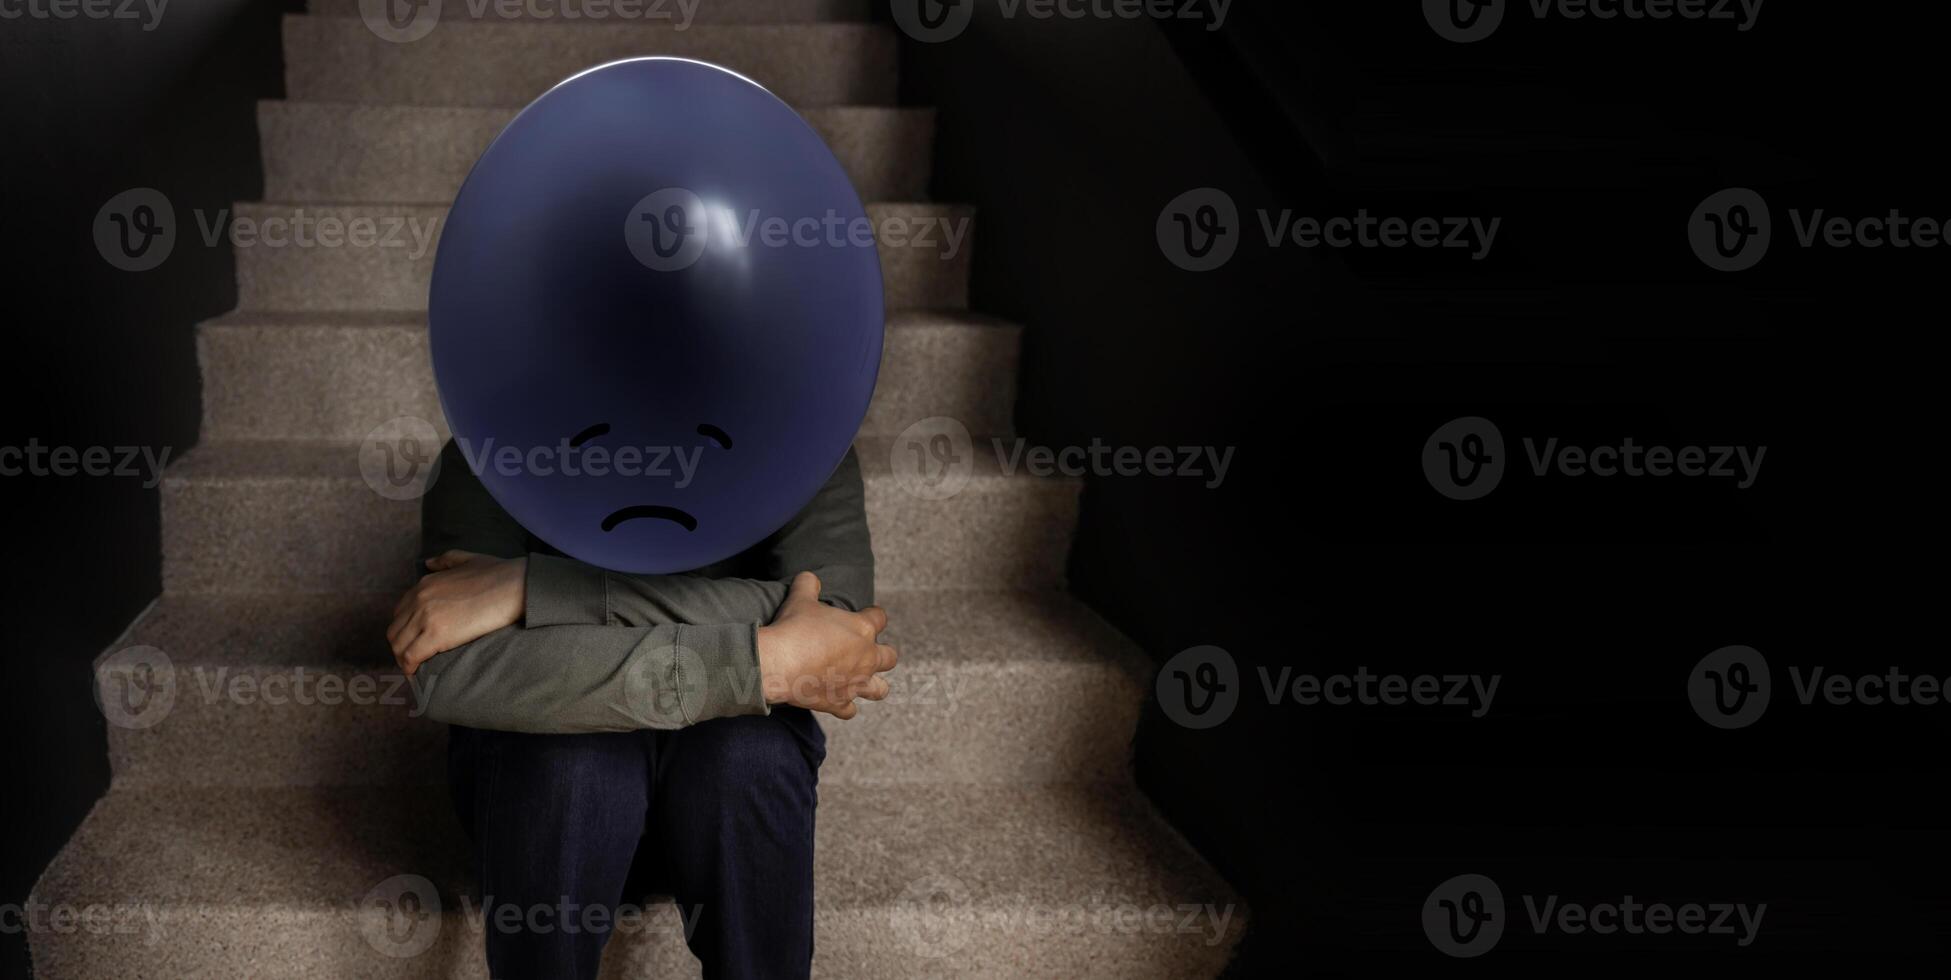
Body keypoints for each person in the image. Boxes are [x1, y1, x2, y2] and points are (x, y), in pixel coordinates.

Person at [385, 437, 897, 979]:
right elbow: (452, 668)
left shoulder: (811, 434)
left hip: (718, 812)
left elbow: (843, 631)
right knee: (573, 766)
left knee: (747, 755)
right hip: (553, 818)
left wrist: (533, 587)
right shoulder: (489, 441)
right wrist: (762, 660)